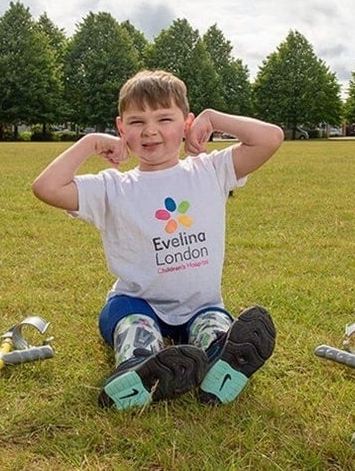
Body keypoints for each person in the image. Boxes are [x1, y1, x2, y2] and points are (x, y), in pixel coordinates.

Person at [32, 70, 283, 410]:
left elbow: (270, 138)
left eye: (164, 118)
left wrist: (213, 118)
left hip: (201, 305)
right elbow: (46, 188)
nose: (150, 131)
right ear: (121, 129)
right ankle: (137, 368)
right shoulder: (112, 188)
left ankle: (221, 361)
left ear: (186, 124)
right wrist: (89, 143)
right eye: (136, 122)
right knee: (138, 329)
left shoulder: (210, 170)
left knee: (213, 326)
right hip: (134, 303)